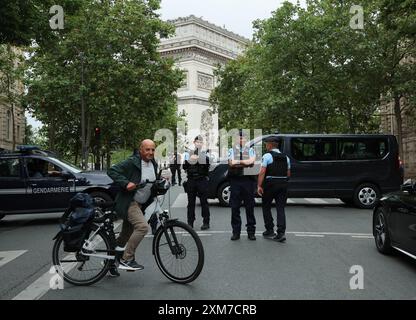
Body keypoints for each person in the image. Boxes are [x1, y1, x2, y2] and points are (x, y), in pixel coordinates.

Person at [107, 139, 158, 274]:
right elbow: (112, 171)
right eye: (147, 149)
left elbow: (151, 182)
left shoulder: (153, 163)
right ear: (141, 149)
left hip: (141, 204)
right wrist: (125, 183)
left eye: (153, 149)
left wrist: (162, 181)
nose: (150, 152)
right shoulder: (132, 162)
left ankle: (110, 262)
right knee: (142, 227)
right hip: (129, 202)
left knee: (125, 235)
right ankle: (127, 259)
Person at [257, 136, 291, 242]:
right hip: (283, 183)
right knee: (280, 208)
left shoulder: (267, 156)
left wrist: (259, 186)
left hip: (270, 184)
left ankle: (269, 230)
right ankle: (281, 233)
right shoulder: (286, 157)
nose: (266, 145)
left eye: (266, 144)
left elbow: (262, 172)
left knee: (266, 206)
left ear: (270, 145)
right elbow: (288, 173)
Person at [227, 131, 257, 241]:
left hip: (248, 181)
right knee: (235, 208)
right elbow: (231, 163)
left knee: (250, 207)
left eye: (243, 138)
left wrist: (238, 162)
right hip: (235, 181)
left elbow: (252, 161)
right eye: (240, 138)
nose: (242, 140)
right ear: (236, 139)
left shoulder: (251, 150)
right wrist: (245, 162)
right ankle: (236, 232)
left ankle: (251, 232)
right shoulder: (231, 150)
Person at [183, 135, 211, 230]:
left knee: (204, 202)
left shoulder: (205, 154)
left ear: (202, 144)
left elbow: (208, 165)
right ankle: (190, 222)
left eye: (200, 142)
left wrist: (200, 158)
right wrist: (190, 160)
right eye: (197, 142)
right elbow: (184, 167)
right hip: (191, 180)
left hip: (202, 180)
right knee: (191, 203)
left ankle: (206, 222)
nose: (199, 143)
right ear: (194, 143)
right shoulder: (189, 154)